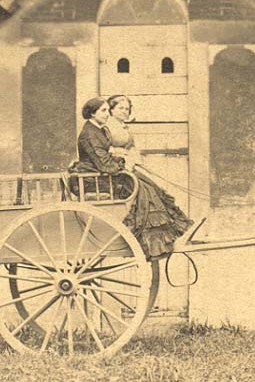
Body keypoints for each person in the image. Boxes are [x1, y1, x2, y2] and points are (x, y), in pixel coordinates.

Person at [73, 96, 193, 260]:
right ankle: (150, 242)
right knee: (144, 190)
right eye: (104, 111)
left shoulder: (97, 129)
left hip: (103, 174)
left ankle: (168, 235)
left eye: (108, 110)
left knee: (151, 186)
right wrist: (123, 164)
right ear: (92, 113)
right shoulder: (89, 134)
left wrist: (122, 161)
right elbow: (103, 164)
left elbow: (106, 157)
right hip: (97, 180)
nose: (107, 114)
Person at [106, 95, 142, 169]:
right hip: (116, 164)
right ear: (111, 110)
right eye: (121, 108)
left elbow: (131, 145)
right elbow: (105, 148)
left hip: (130, 162)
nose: (124, 111)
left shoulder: (125, 127)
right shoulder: (107, 126)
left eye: (127, 109)